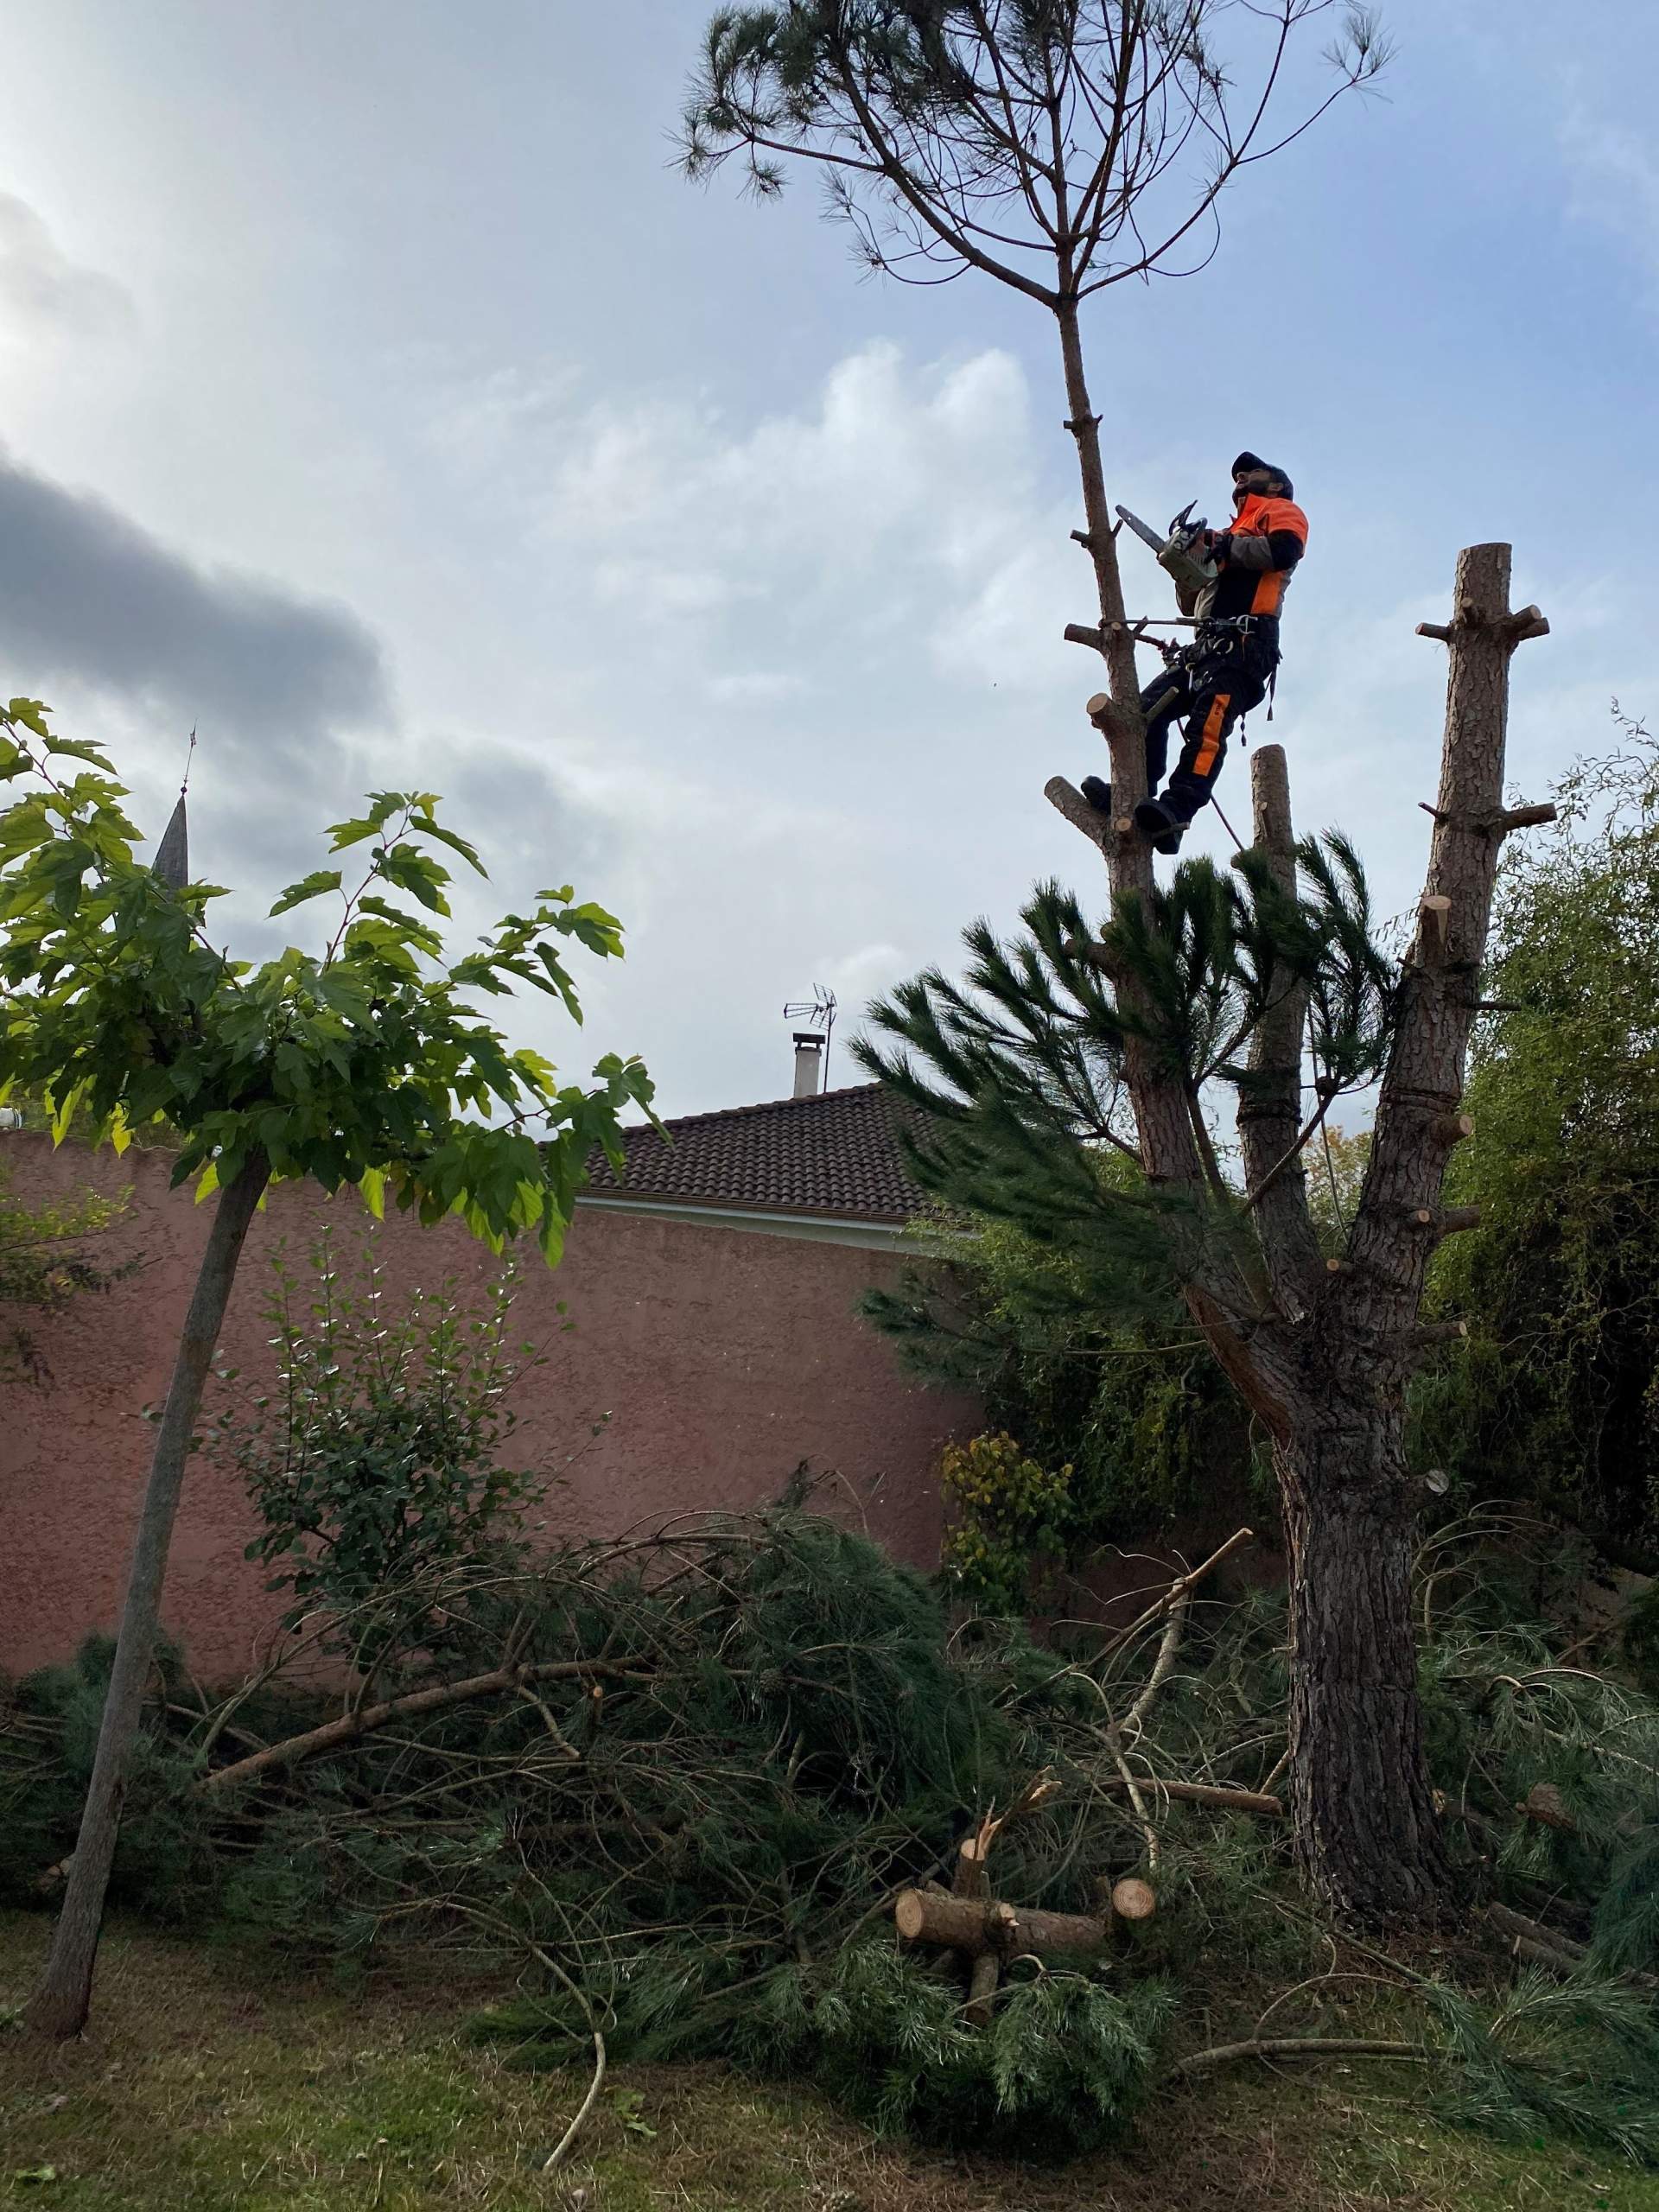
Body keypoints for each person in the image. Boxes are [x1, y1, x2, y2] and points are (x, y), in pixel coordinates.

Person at [1080, 452, 1307, 854]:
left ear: (1274, 484)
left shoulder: (1280, 510)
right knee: (1141, 710)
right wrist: (1187, 567)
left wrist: (1223, 546)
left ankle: (1176, 811)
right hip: (1203, 647)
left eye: (1251, 472)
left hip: (1244, 645)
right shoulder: (1225, 533)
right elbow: (1191, 605)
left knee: (1208, 726)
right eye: (1237, 475)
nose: (1240, 478)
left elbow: (1284, 551)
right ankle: (1134, 791)